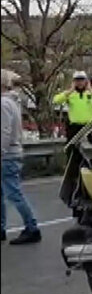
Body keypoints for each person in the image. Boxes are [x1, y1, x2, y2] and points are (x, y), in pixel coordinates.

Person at [1, 69, 41, 244]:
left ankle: (32, 227)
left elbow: (4, 131)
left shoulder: (3, 103)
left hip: (7, 155)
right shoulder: (12, 102)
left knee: (13, 193)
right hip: (11, 153)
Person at [53, 71, 92, 141]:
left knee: (90, 146)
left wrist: (91, 90)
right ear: (74, 82)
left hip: (89, 127)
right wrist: (70, 91)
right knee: (73, 146)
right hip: (74, 128)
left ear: (86, 81)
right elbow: (56, 101)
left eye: (82, 80)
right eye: (77, 80)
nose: (80, 83)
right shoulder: (70, 94)